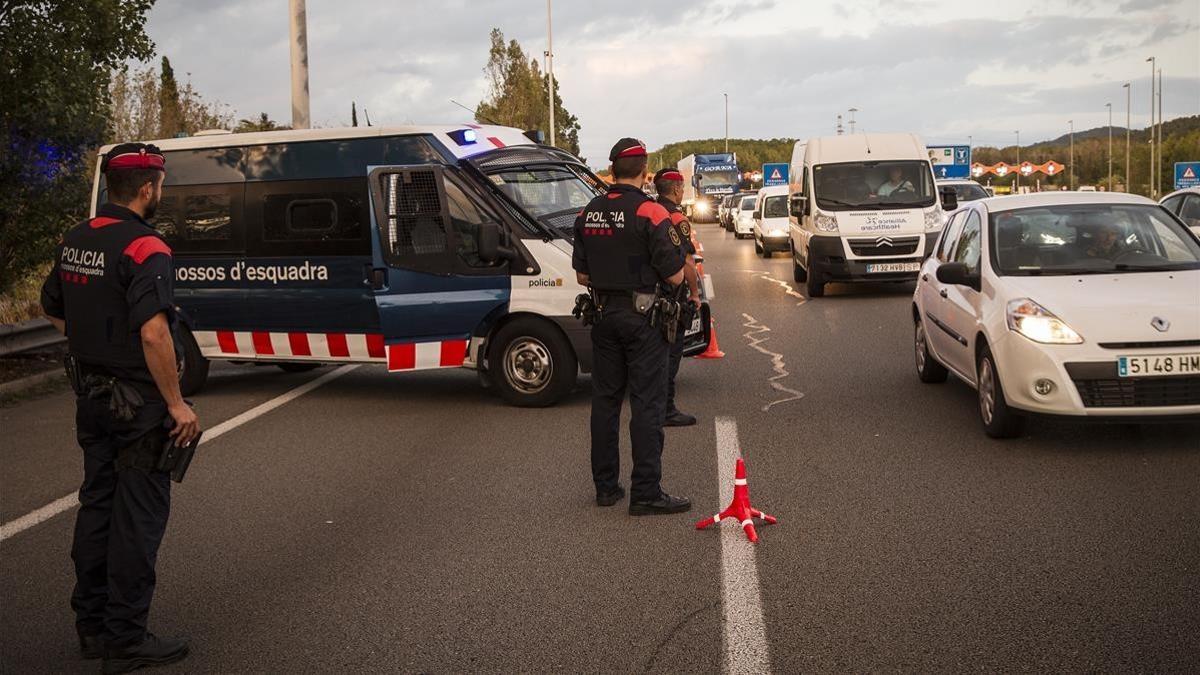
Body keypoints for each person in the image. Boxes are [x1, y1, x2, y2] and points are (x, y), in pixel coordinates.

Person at [41, 143, 199, 673]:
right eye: (161, 184)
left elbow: (52, 308)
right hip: (139, 409)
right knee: (137, 521)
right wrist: (176, 405)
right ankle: (126, 638)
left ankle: (91, 627)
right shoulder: (146, 247)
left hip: (92, 399)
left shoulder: (75, 239)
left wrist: (96, 348)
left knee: (98, 509)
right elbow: (155, 332)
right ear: (149, 188)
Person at [573, 138, 692, 515]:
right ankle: (645, 492)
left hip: (605, 317)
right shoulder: (652, 213)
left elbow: (581, 275)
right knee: (647, 404)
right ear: (644, 171)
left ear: (611, 170)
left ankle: (606, 488)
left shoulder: (587, 213)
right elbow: (675, 275)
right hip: (644, 321)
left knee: (605, 402)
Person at [652, 168, 702, 427]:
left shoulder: (651, 211)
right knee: (671, 356)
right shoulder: (676, 217)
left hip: (651, 296)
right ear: (674, 189)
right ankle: (666, 410)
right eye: (682, 188)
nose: (683, 193)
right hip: (673, 296)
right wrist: (694, 295)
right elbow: (687, 262)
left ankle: (655, 407)